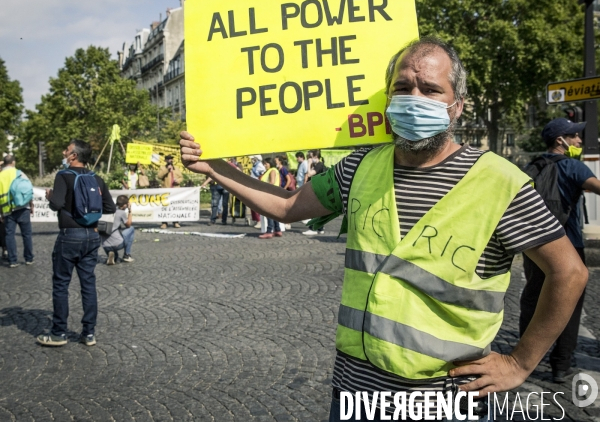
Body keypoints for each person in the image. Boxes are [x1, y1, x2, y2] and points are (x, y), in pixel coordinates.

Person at [180, 36, 588, 421]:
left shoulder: (500, 180)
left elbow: (569, 272)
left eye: (430, 90)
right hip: (356, 389)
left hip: (444, 398)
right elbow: (288, 206)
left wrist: (519, 362)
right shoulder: (361, 165)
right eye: (402, 87)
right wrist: (214, 168)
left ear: (458, 105)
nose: (414, 99)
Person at [520, 117, 600, 383]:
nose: (579, 141)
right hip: (568, 244)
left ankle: (526, 360)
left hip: (533, 245)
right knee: (570, 303)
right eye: (575, 136)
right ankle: (561, 365)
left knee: (532, 298)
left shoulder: (531, 166)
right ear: (560, 140)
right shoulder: (573, 167)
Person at [37, 139, 116, 347]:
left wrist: (50, 196)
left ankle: (58, 333)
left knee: (61, 284)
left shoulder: (63, 176)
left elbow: (56, 205)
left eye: (67, 150)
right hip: (92, 235)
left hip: (69, 235)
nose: (64, 153)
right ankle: (89, 333)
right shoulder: (96, 178)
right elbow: (110, 207)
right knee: (88, 284)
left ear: (74, 156)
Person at [0, 155, 34, 268]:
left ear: (4, 163)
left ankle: (12, 260)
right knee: (27, 234)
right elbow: (28, 189)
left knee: (9, 235)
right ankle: (29, 258)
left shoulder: (0, 176)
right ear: (13, 162)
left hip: (7, 209)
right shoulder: (19, 173)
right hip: (22, 207)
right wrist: (31, 204)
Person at [101, 194, 135, 265]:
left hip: (105, 245)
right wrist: (130, 211)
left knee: (115, 257)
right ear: (125, 205)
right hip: (118, 244)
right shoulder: (121, 212)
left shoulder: (106, 210)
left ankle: (112, 255)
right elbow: (128, 224)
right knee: (131, 229)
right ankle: (127, 255)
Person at [302, 150, 326, 236]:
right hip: (319, 190)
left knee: (314, 210)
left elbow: (310, 174)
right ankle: (320, 228)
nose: (310, 159)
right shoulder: (318, 165)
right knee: (318, 210)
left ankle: (313, 228)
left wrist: (309, 164)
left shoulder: (319, 165)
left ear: (316, 157)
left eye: (311, 157)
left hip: (318, 190)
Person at [258, 158, 282, 239]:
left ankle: (269, 231)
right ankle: (277, 229)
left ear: (270, 163)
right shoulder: (273, 170)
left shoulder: (272, 170)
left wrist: (263, 188)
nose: (265, 165)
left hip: (270, 194)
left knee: (269, 213)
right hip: (274, 194)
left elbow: (271, 182)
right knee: (274, 213)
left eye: (266, 163)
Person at [157, 155, 183, 229]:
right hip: (166, 190)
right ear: (165, 160)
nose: (170, 160)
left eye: (171, 159)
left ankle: (175, 222)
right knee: (165, 207)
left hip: (175, 190)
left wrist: (178, 181)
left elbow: (181, 177)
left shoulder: (177, 168)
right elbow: (159, 176)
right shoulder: (162, 168)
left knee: (175, 207)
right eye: (168, 159)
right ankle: (164, 223)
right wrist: (167, 170)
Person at [248, 155, 265, 228]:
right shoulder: (254, 165)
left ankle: (259, 221)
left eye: (253, 159)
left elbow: (262, 174)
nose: (252, 160)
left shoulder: (260, 165)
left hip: (257, 187)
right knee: (252, 204)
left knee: (256, 204)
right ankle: (255, 219)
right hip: (253, 186)